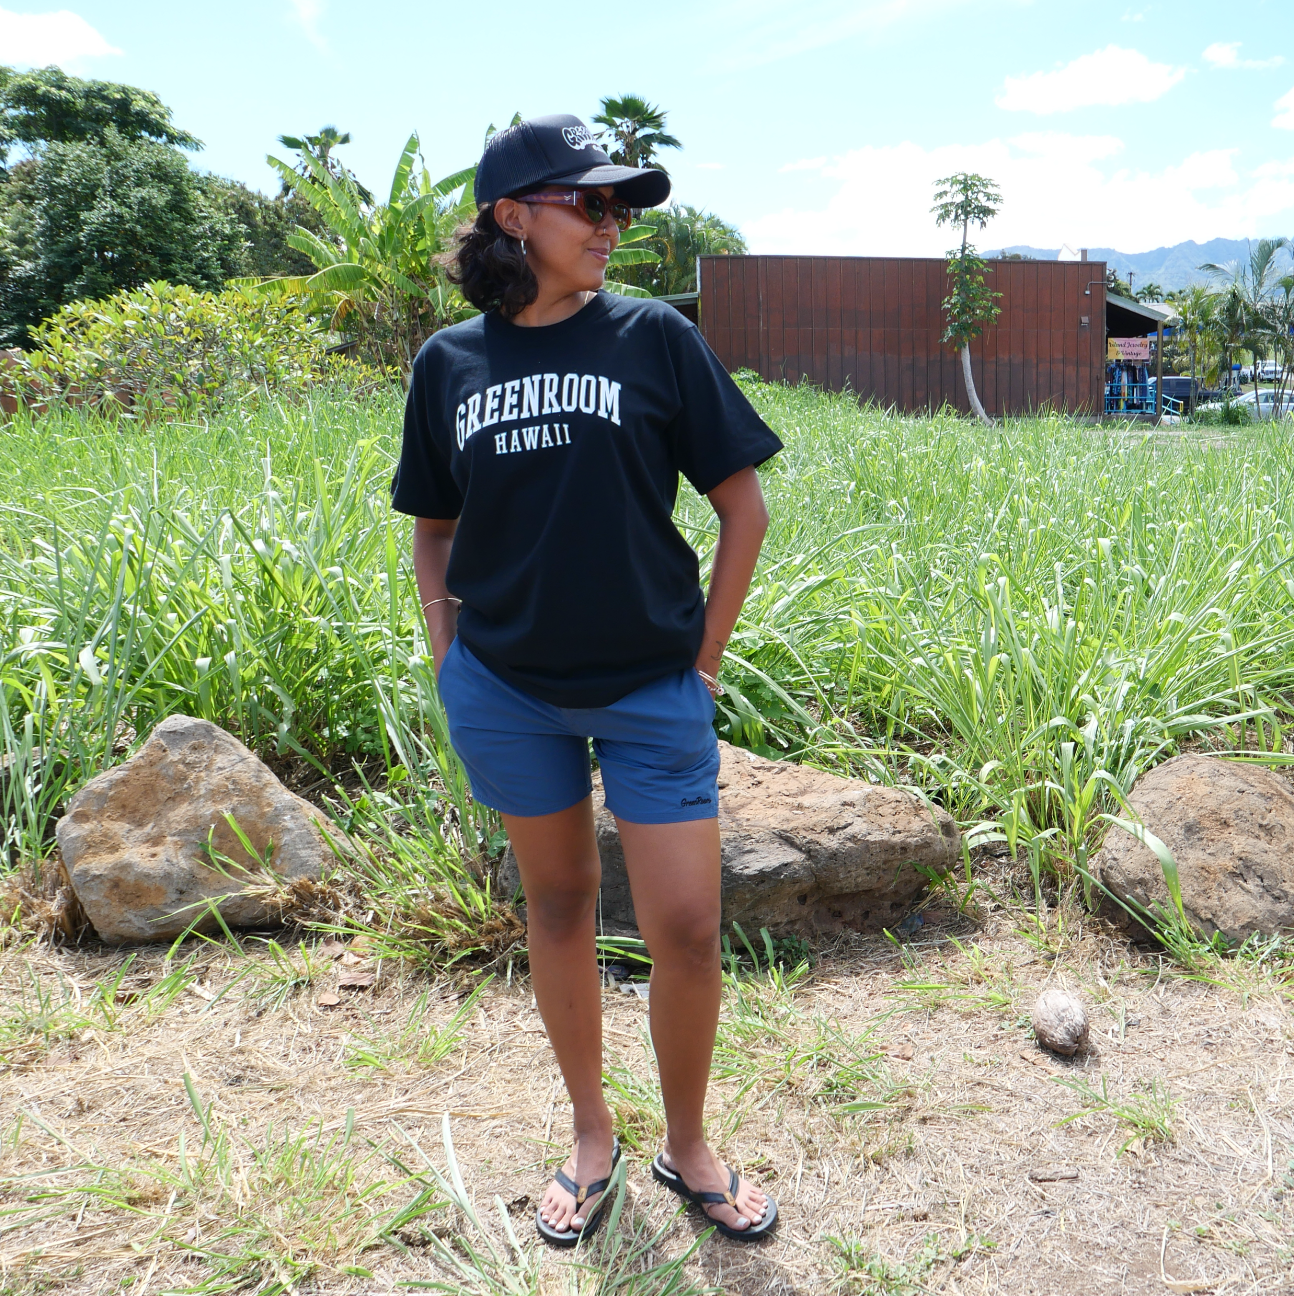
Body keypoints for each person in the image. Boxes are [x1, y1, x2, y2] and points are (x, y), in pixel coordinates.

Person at [391, 114, 782, 1247]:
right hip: (506, 688)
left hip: (650, 685)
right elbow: (435, 526)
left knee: (686, 928)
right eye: (591, 205)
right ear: (514, 216)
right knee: (556, 905)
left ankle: (690, 1144)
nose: (614, 226)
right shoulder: (448, 362)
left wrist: (701, 667)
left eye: (621, 208)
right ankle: (589, 1136)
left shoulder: (653, 338)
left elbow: (741, 509)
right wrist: (447, 656)